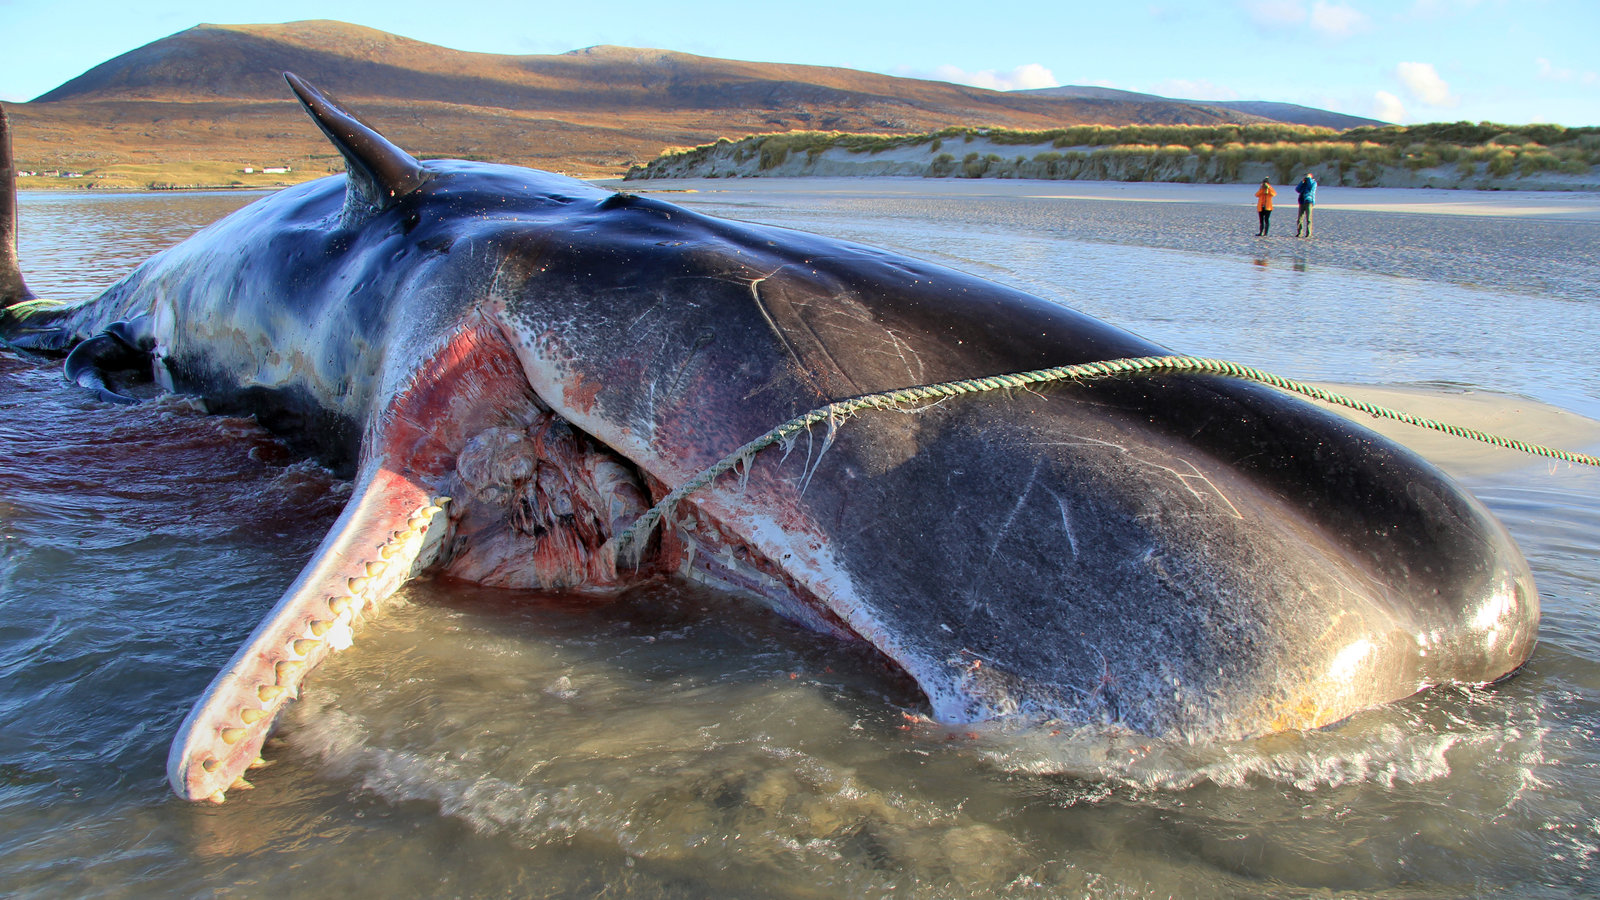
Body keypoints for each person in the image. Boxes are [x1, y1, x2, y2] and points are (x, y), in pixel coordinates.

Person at [1295, 172, 1317, 238]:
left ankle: (1309, 233)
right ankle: (1299, 232)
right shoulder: (1304, 184)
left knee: (1309, 219)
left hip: (1309, 201)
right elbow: (1297, 189)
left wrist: (1309, 179)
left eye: (1307, 177)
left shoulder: (1313, 183)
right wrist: (1302, 182)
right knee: (1300, 218)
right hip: (1302, 201)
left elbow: (1310, 188)